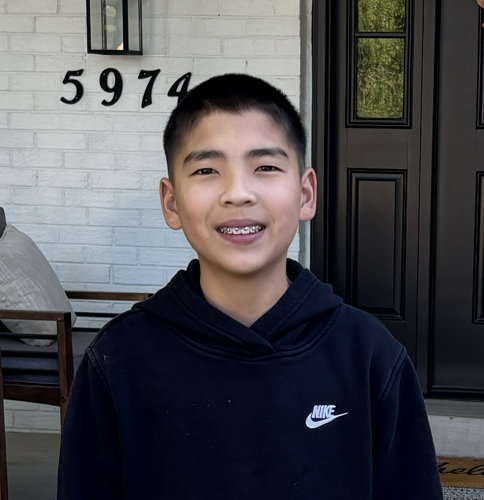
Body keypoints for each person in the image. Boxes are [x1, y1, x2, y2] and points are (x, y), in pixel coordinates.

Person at [57, 74, 443, 499]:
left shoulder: (370, 356)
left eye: (266, 167)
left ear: (305, 194)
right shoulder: (118, 360)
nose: (237, 193)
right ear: (171, 202)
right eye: (206, 170)